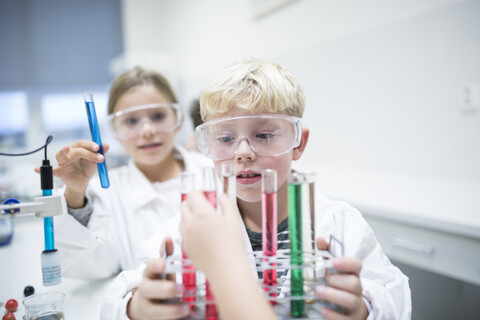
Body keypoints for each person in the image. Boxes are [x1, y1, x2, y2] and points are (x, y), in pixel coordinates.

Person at [101, 60, 411, 320]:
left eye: (263, 134)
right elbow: (120, 292)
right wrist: (136, 307)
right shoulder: (190, 227)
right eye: (224, 139)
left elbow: (394, 294)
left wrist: (364, 308)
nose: (243, 152)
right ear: (206, 145)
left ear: (298, 142)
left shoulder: (341, 223)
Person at [35, 66, 212, 280]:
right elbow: (90, 267)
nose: (147, 131)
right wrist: (75, 192)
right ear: (114, 130)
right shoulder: (108, 192)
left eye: (157, 115)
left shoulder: (214, 172)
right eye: (131, 121)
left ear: (178, 119)